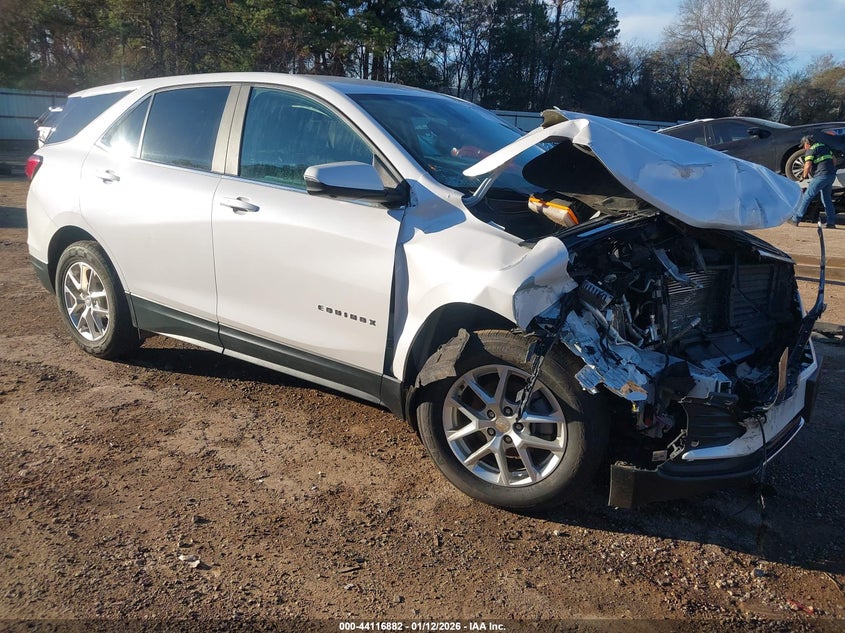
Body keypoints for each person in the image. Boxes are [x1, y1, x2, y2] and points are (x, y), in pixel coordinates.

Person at [788, 135, 837, 228]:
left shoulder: (811, 150)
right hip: (831, 176)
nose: (804, 148)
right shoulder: (824, 146)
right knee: (827, 199)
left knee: (807, 196)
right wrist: (830, 169)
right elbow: (834, 160)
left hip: (821, 176)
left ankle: (795, 219)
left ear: (807, 143)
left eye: (804, 145)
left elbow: (807, 165)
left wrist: (803, 176)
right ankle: (831, 222)